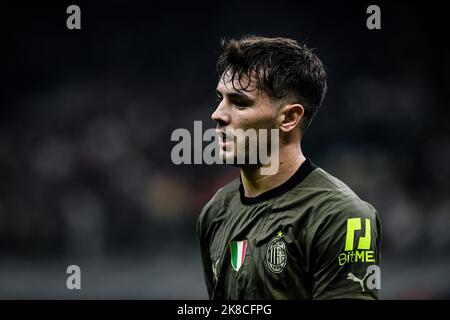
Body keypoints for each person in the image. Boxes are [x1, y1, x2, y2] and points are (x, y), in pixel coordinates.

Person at [197, 36, 381, 299]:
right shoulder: (215, 212)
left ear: (289, 117)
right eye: (220, 98)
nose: (218, 114)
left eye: (239, 102)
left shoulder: (342, 215)